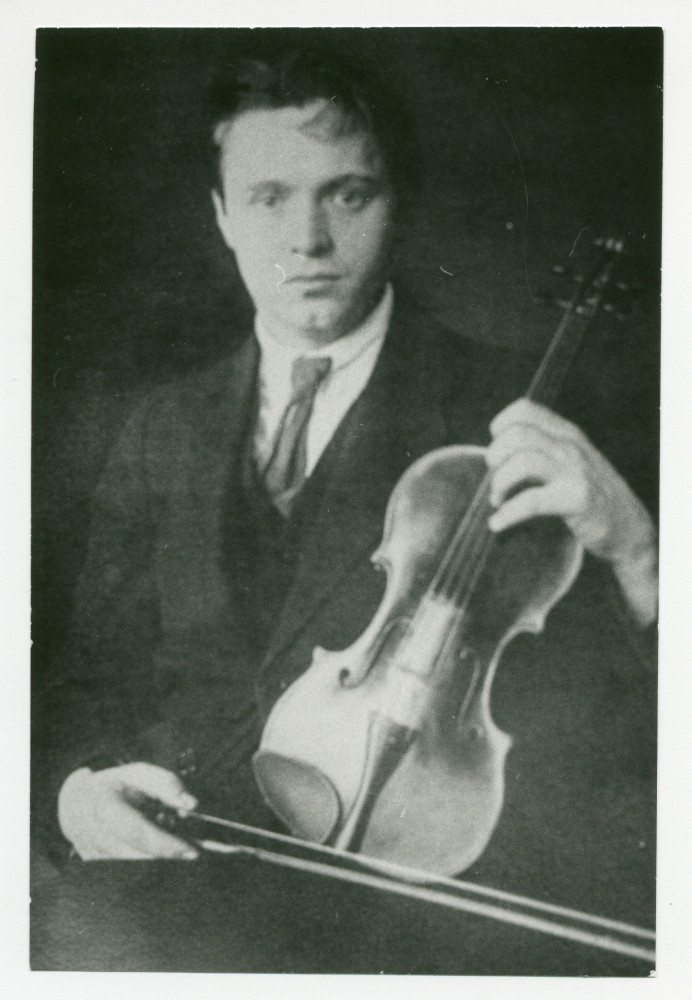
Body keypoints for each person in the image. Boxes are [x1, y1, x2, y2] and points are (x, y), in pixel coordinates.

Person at [47, 45, 657, 919]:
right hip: (173, 896)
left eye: (348, 193)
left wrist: (641, 548)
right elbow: (81, 682)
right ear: (221, 214)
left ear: (396, 202)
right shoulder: (158, 426)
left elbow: (638, 742)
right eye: (268, 198)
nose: (308, 240)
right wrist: (75, 792)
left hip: (419, 905)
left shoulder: (526, 416)